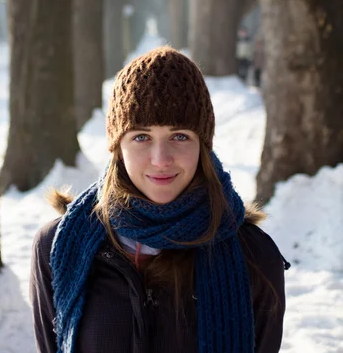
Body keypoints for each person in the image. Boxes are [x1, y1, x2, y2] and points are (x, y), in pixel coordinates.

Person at [30, 46, 289, 353]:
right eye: (141, 137)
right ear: (117, 147)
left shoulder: (254, 256)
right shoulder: (59, 247)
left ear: (202, 146)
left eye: (180, 136)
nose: (161, 159)